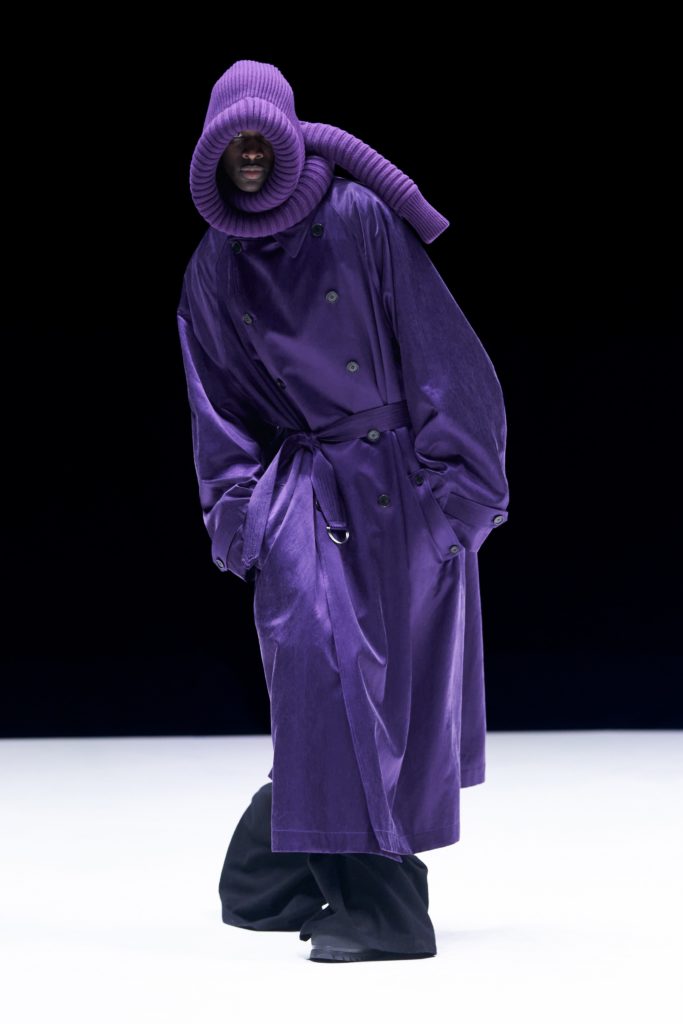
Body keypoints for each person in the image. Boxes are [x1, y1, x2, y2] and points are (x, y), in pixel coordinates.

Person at [177, 59, 510, 962]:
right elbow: (217, 406)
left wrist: (462, 495)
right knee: (322, 676)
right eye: (234, 140)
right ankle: (366, 904)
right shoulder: (213, 266)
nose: (251, 152)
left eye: (263, 135)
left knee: (388, 699)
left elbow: (444, 354)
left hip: (400, 487)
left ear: (287, 139)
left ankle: (316, 883)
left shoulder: (360, 216)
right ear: (213, 153)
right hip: (304, 488)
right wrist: (239, 516)